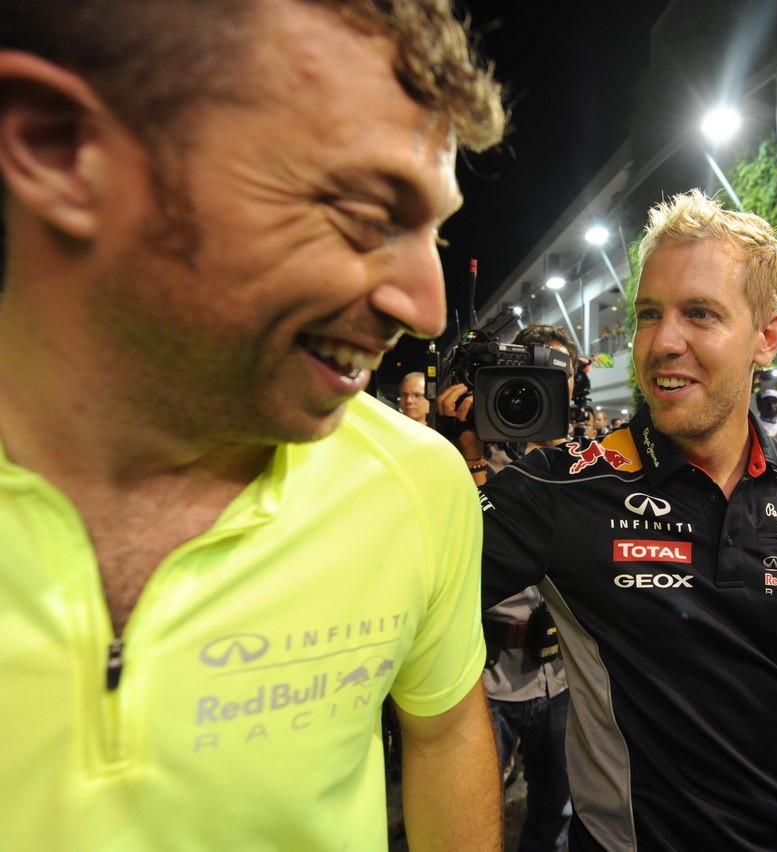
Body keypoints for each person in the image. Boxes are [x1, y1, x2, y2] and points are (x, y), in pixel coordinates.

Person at [0, 1, 506, 849]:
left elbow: (444, 732)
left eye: (433, 234)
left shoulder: (417, 486)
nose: (426, 308)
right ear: (59, 151)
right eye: (361, 211)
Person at [477, 189, 777, 850]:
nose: (663, 342)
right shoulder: (559, 487)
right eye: (647, 314)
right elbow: (396, 618)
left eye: (699, 313)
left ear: (766, 335)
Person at [438, 324, 577, 852]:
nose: (549, 384)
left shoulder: (589, 464)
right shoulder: (465, 451)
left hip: (560, 676)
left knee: (554, 815)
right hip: (485, 676)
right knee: (470, 815)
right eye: (537, 371)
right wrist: (467, 450)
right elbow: (462, 556)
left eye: (559, 372)